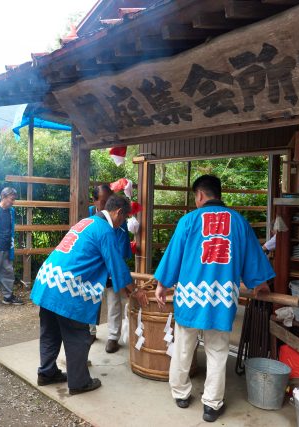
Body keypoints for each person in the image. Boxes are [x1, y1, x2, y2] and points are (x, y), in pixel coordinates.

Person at [153, 175, 274, 423]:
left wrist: (162, 285)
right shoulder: (239, 222)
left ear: (199, 195)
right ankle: (212, 404)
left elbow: (173, 256)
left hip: (189, 295)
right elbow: (254, 261)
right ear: (219, 194)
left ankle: (181, 394)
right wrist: (260, 283)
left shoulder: (188, 221)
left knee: (184, 346)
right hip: (222, 298)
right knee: (217, 350)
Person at [31, 195, 147, 395]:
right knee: (78, 334)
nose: (123, 223)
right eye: (125, 218)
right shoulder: (106, 231)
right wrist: (135, 290)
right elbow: (117, 267)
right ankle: (79, 382)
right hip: (66, 287)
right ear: (118, 212)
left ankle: (47, 373)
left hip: (48, 280)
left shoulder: (86, 221)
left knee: (50, 331)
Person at [88, 184, 133, 353]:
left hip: (114, 262)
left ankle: (113, 337)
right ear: (95, 200)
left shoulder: (119, 220)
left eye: (109, 201)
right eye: (103, 201)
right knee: (92, 298)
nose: (107, 205)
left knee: (114, 300)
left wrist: (117, 271)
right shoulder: (89, 215)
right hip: (95, 266)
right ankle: (90, 331)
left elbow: (120, 248)